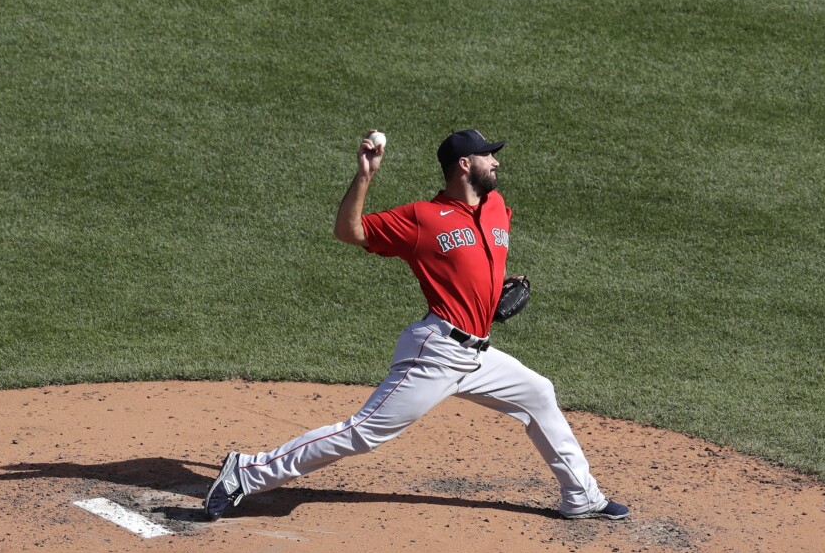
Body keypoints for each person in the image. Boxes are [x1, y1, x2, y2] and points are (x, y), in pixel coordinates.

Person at [204, 128, 627, 523]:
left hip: (478, 354)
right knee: (365, 432)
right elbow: (348, 232)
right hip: (437, 351)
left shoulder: (496, 207)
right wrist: (364, 176)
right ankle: (247, 471)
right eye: (488, 156)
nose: (496, 163)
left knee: (539, 393)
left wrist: (495, 285)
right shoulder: (424, 217)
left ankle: (581, 495)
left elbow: (479, 260)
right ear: (464, 164)